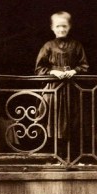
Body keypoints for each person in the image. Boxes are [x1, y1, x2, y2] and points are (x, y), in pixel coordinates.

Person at [34, 12, 88, 144]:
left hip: (72, 89)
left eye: (64, 26)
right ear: (52, 28)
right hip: (53, 90)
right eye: (58, 26)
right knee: (53, 120)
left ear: (69, 27)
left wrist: (75, 71)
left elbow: (84, 65)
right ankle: (54, 155)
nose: (61, 29)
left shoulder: (76, 45)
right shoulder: (48, 46)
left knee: (73, 121)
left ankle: (72, 156)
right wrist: (53, 72)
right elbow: (39, 68)